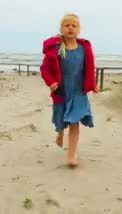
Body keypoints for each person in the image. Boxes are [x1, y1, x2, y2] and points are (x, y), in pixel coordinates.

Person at [40, 13, 98, 167]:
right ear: (61, 29)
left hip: (79, 91)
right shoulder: (56, 49)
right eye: (67, 25)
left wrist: (93, 84)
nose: (70, 28)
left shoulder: (84, 48)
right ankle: (59, 133)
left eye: (74, 25)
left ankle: (71, 155)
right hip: (62, 90)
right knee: (61, 119)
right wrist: (51, 82)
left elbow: (90, 67)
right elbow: (45, 69)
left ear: (79, 29)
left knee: (74, 121)